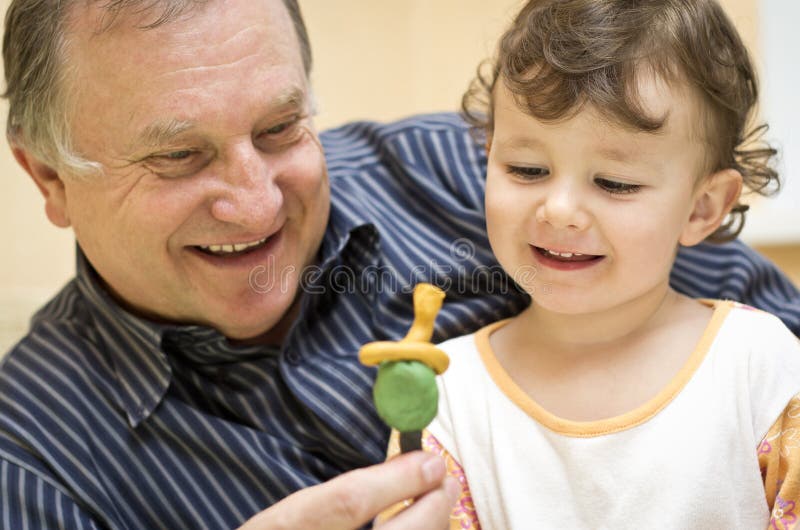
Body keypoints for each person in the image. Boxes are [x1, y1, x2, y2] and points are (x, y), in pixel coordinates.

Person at [0, 0, 798, 529]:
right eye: (179, 156)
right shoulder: (31, 460)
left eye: (281, 128)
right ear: (47, 177)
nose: (257, 204)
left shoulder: (465, 172)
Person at [379, 1, 800, 528]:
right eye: (527, 169)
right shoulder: (445, 401)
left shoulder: (761, 369)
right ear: (487, 157)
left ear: (702, 208)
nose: (559, 209)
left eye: (615, 182)